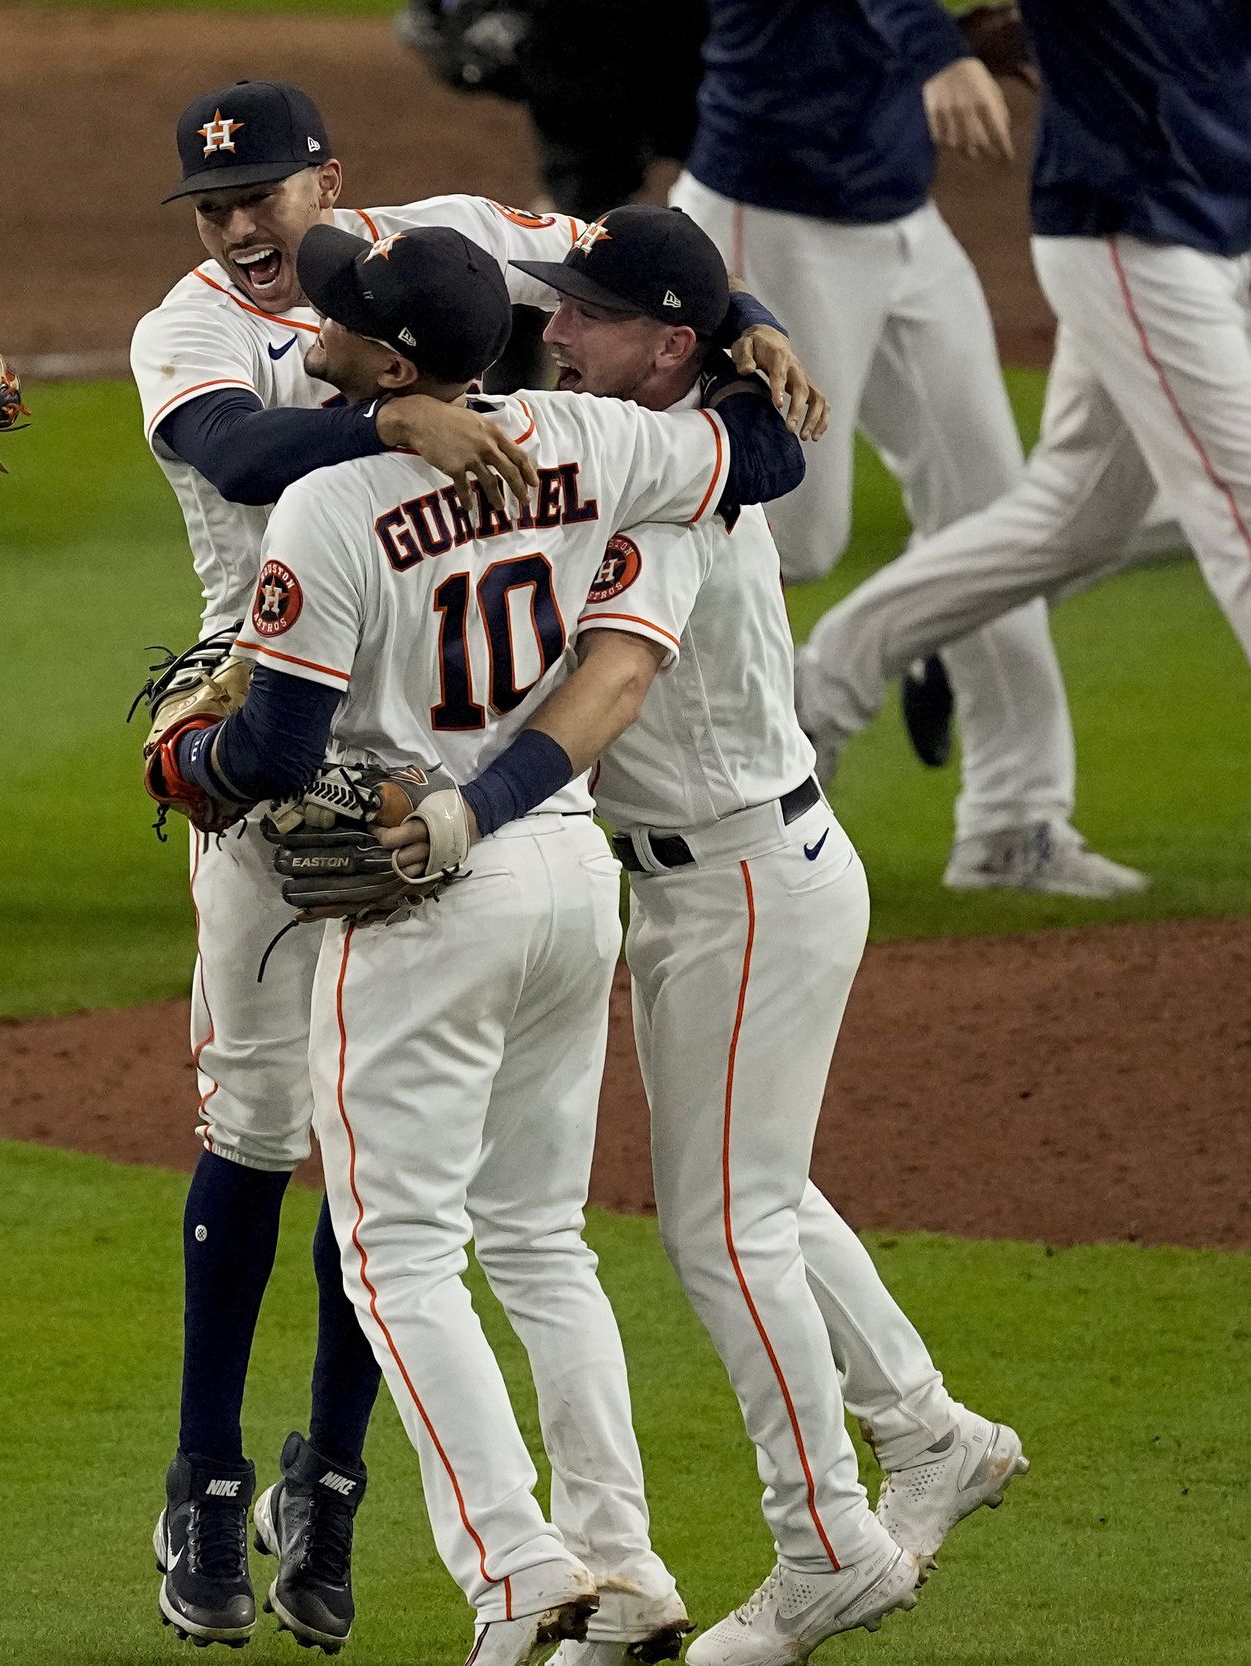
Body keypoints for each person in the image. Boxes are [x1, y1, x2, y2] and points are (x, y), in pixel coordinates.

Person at [128, 79, 822, 1655]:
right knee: (273, 1125)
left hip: (314, 755)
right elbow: (239, 449)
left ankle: (361, 1489)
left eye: (266, 198)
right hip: (477, 787)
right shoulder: (204, 336)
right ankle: (213, 1473)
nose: (240, 229)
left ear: (335, 189)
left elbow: (628, 260)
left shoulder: (438, 264)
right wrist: (400, 416)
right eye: (213, 207)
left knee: (396, 1205)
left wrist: (743, 316)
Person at [472, 206, 1021, 1666]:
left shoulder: (677, 494)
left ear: (667, 345)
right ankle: (930, 1430)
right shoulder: (674, 431)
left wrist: (474, 810)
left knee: (725, 1227)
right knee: (756, 1193)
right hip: (738, 874)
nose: (557, 331)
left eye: (587, 318)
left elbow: (610, 693)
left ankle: (827, 1541)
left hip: (739, 884)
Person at [669, 0, 1142, 898]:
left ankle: (1014, 819)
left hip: (902, 216)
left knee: (998, 516)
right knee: (792, 538)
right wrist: (934, 53)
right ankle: (654, 772)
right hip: (770, 221)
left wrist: (957, 40)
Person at [797, 0, 1251, 806]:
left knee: (1076, 517)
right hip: (1136, 230)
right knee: (1240, 511)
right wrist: (938, 52)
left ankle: (833, 674)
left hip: (1230, 211)